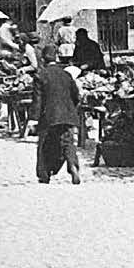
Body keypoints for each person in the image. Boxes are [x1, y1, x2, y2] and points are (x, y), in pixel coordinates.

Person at [32, 45, 83, 185]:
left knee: (44, 144)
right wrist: (72, 109)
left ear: (43, 59)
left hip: (49, 115)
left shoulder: (40, 75)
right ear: (56, 58)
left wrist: (34, 119)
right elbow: (76, 95)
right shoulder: (66, 74)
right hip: (67, 114)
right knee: (68, 142)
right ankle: (73, 166)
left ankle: (44, 174)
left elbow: (38, 100)